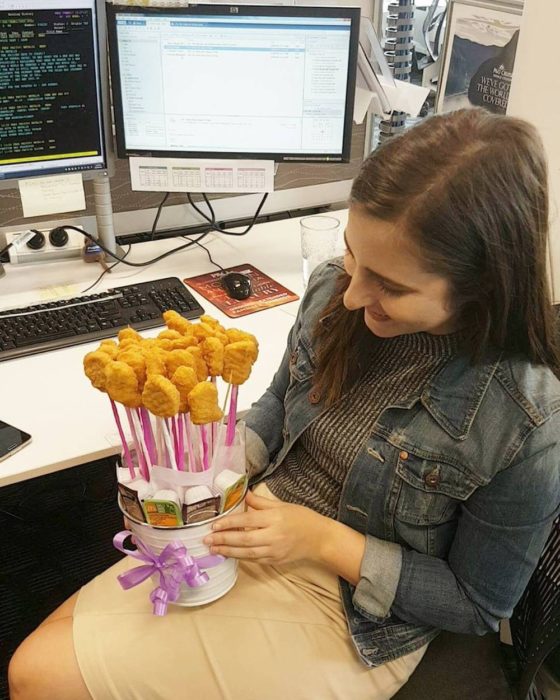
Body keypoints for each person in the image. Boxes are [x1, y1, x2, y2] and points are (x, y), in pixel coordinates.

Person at [9, 108, 560, 700]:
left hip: (352, 608)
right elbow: (277, 403)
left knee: (38, 673)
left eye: (392, 287)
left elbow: (475, 606)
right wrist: (204, 477)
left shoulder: (528, 421)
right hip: (254, 521)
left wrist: (319, 539)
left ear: (484, 284)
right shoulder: (330, 291)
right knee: (47, 642)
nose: (351, 296)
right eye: (353, 256)